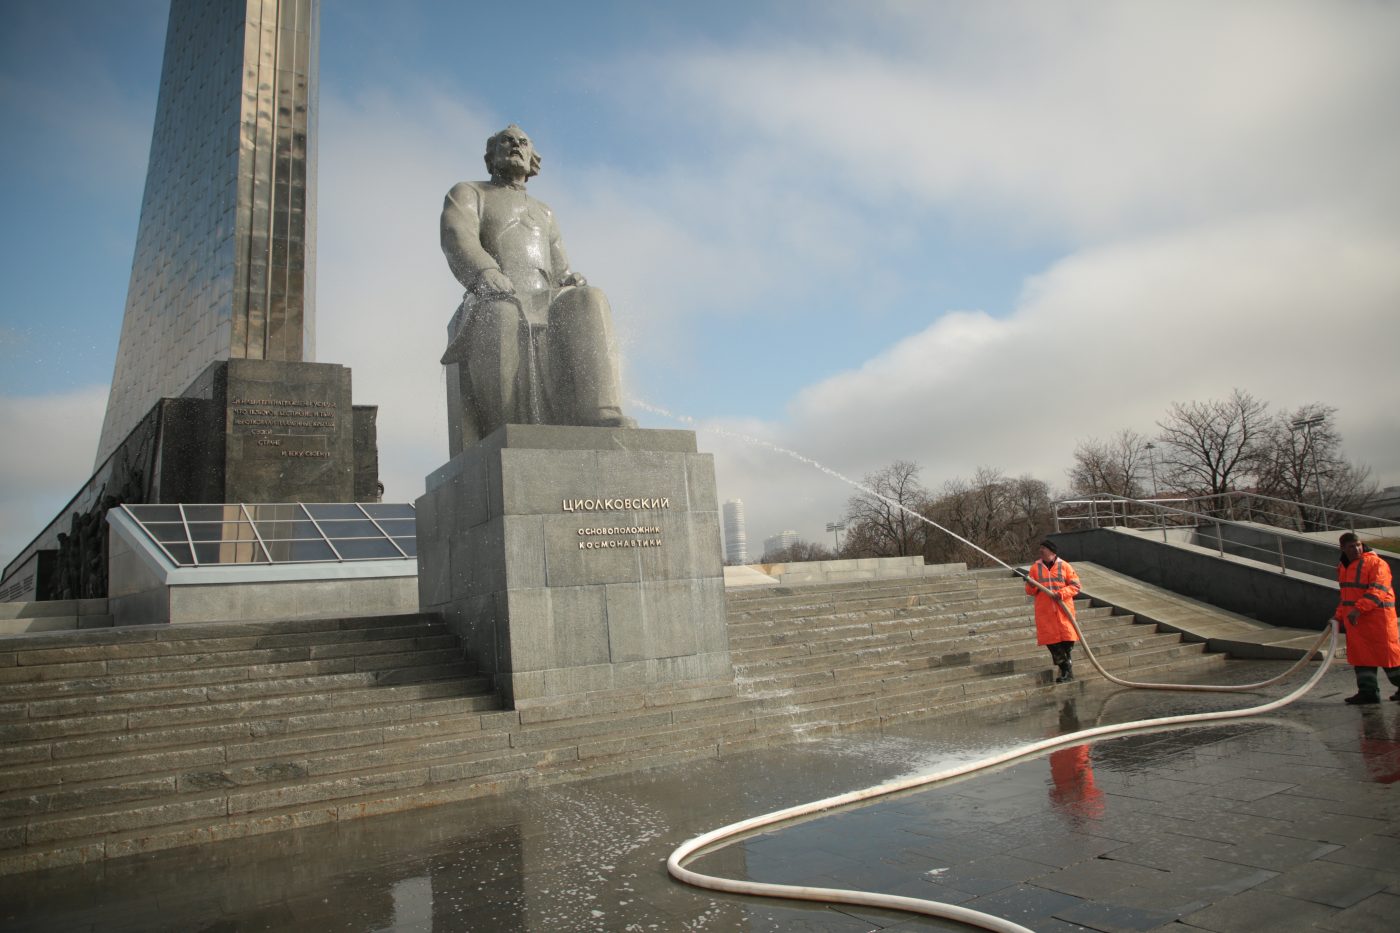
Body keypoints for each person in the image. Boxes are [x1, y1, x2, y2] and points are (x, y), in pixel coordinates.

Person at [439, 124, 630, 455]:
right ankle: (505, 426)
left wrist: (569, 280)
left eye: (522, 142)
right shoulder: (470, 193)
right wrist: (485, 272)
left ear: (532, 159)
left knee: (590, 298)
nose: (515, 145)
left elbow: (560, 267)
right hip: (493, 292)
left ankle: (599, 411)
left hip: (544, 295)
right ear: (490, 157)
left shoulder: (545, 212)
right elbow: (458, 237)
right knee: (501, 311)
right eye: (506, 141)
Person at [1334, 532, 1400, 705]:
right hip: (1358, 621)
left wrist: (1357, 610)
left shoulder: (1376, 563)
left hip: (1378, 619)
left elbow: (1377, 591)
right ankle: (1367, 692)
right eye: (1351, 546)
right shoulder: (1343, 567)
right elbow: (1346, 595)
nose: (1356, 548)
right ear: (1343, 548)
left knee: (1388, 658)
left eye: (1358, 545)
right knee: (1362, 658)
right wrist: (1338, 616)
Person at [1024, 540, 1082, 683]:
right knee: (1053, 644)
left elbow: (1076, 586)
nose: (1041, 550)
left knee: (1067, 644)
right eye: (1040, 548)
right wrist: (1031, 584)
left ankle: (1067, 670)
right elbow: (1029, 591)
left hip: (1064, 611)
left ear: (1052, 551)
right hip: (1046, 613)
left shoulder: (1065, 566)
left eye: (1044, 548)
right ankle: (1066, 670)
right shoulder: (1035, 568)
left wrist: (1062, 593)